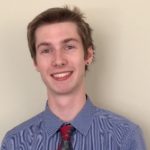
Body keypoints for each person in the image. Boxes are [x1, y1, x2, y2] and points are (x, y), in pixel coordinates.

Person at [1, 6, 146, 150]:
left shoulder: (125, 137)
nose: (58, 61)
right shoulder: (14, 143)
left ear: (88, 55)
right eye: (46, 50)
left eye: (69, 47)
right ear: (36, 63)